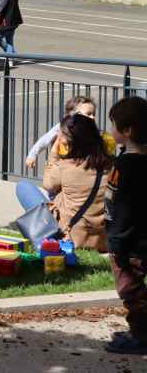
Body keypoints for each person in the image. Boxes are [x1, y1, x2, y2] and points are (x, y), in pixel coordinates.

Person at [16, 114, 112, 252]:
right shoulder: (111, 164)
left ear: (71, 142)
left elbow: (48, 185)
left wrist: (54, 153)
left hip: (72, 235)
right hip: (102, 238)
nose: (59, 139)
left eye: (61, 137)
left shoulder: (66, 165)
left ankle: (47, 236)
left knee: (23, 187)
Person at [104, 96, 147, 355]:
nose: (111, 130)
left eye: (113, 125)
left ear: (127, 130)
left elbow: (121, 209)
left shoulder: (126, 167)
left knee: (131, 291)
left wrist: (117, 242)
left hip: (127, 243)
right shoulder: (134, 161)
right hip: (138, 238)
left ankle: (141, 336)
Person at [24, 95, 116, 171]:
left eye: (93, 114)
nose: (92, 117)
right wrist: (32, 155)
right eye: (88, 114)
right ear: (71, 115)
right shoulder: (61, 127)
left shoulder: (95, 133)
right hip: (61, 170)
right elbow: (45, 140)